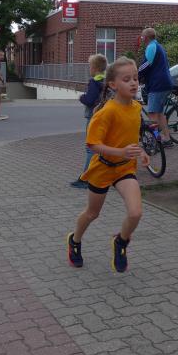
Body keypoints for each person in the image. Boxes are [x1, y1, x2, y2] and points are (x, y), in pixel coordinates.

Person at [66, 56, 149, 273]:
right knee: (92, 213)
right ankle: (75, 240)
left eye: (135, 78)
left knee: (135, 213)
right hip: (102, 168)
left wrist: (140, 151)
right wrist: (121, 151)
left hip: (124, 168)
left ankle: (121, 242)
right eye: (126, 79)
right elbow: (93, 144)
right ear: (113, 85)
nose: (133, 83)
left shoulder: (136, 108)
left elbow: (130, 138)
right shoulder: (107, 112)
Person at [71, 54, 108, 189]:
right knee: (101, 147)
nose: (89, 69)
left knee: (91, 148)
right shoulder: (106, 80)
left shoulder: (94, 82)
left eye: (90, 66)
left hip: (93, 117)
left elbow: (90, 100)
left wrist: (81, 97)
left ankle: (86, 179)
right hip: (104, 116)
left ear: (95, 68)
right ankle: (102, 175)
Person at [138, 27, 174, 147]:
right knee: (159, 113)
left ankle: (155, 140)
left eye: (142, 36)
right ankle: (166, 139)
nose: (141, 38)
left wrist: (136, 73)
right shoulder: (158, 46)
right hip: (164, 83)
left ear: (146, 37)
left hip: (157, 84)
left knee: (152, 113)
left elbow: (147, 63)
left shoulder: (151, 46)